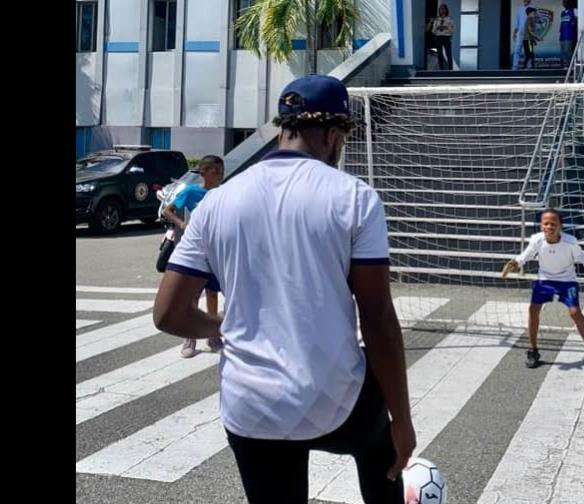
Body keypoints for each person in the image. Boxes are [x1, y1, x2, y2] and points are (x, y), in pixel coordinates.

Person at [153, 74, 416, 504]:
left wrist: (224, 322)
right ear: (333, 135)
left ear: (283, 128)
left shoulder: (218, 201)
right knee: (381, 455)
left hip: (250, 406)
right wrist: (401, 420)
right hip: (333, 400)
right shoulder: (354, 197)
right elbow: (377, 318)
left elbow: (168, 315)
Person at [501, 209, 584, 373]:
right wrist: (515, 262)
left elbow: (582, 256)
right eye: (546, 223)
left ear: (560, 226)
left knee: (575, 312)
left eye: (553, 224)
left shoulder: (570, 241)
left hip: (567, 281)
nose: (549, 227)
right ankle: (533, 350)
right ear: (541, 225)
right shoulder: (536, 240)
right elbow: (526, 255)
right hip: (545, 280)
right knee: (533, 309)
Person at [160, 155, 225, 358]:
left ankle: (213, 335)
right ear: (204, 173)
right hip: (196, 251)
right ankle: (190, 337)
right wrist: (181, 224)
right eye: (215, 171)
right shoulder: (191, 191)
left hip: (215, 249)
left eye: (222, 171)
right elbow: (168, 211)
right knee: (194, 294)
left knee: (213, 292)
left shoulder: (224, 193)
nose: (220, 176)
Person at [430, 4, 455, 70]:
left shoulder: (450, 19)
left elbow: (452, 30)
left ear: (446, 10)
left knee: (448, 53)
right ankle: (441, 69)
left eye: (444, 9)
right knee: (439, 54)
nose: (442, 10)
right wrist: (437, 28)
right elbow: (433, 31)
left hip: (446, 37)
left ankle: (450, 69)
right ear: (439, 10)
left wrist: (446, 27)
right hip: (439, 37)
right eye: (441, 9)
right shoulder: (437, 19)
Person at [511, 0, 533, 70]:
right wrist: (514, 33)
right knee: (517, 50)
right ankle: (515, 66)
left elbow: (536, 20)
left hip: (528, 33)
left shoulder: (533, 8)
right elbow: (518, 23)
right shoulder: (519, 9)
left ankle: (529, 66)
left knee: (529, 50)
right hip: (520, 33)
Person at [559, 0, 578, 68]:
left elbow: (577, 22)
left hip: (570, 35)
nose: (563, 3)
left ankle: (571, 64)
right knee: (563, 51)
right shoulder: (563, 13)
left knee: (568, 50)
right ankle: (565, 65)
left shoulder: (574, 10)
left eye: (565, 1)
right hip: (562, 35)